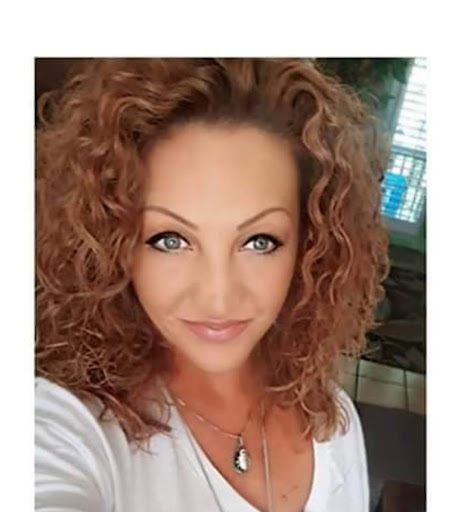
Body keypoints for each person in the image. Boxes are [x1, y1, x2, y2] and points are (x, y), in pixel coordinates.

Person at [35, 58, 389, 512]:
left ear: (309, 247)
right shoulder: (69, 429)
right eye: (170, 240)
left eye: (259, 242)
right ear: (112, 243)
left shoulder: (332, 419)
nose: (218, 297)